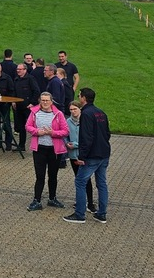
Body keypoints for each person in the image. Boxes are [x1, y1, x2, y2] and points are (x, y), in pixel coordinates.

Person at [64, 87, 111, 224]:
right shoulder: (101, 113)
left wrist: (82, 157)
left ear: (83, 98)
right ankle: (101, 213)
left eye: (79, 95)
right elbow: (107, 134)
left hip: (92, 156)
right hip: (104, 153)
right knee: (101, 183)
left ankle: (79, 214)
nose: (79, 97)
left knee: (80, 182)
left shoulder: (86, 114)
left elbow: (86, 137)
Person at [25, 92, 69, 211]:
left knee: (53, 175)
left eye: (47, 100)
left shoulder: (58, 114)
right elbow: (28, 126)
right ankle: (37, 200)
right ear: (40, 101)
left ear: (51, 101)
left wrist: (52, 133)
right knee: (40, 176)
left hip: (54, 150)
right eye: (42, 100)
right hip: (39, 149)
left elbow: (65, 131)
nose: (44, 102)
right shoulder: (34, 113)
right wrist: (36, 132)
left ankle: (52, 198)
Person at [65, 101, 95, 215]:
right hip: (73, 155)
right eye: (71, 109)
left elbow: (88, 138)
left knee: (86, 180)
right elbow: (65, 135)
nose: (73, 111)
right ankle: (80, 201)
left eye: (75, 109)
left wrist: (75, 144)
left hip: (84, 154)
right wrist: (67, 143)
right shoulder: (68, 122)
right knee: (78, 178)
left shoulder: (85, 120)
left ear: (80, 109)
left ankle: (90, 203)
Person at [11, 63, 41, 152]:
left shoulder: (30, 79)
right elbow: (14, 91)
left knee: (34, 126)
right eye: (17, 69)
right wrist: (13, 101)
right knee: (21, 127)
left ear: (25, 70)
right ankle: (21, 145)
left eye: (20, 69)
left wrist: (32, 103)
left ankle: (38, 145)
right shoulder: (16, 79)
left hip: (28, 107)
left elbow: (36, 91)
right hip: (19, 107)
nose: (18, 71)